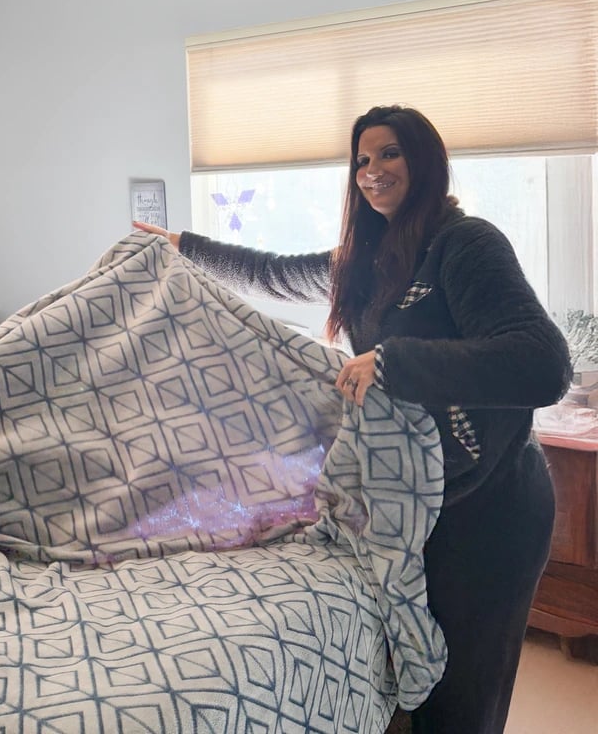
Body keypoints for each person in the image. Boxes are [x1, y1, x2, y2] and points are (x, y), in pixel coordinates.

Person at [134, 104, 571, 734]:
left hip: (492, 505)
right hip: (412, 504)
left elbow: (542, 363)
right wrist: (180, 247)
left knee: (466, 693)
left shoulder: (467, 244)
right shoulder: (364, 260)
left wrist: (394, 361)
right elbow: (272, 274)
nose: (372, 171)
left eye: (389, 153)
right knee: (416, 678)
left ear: (425, 161)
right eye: (362, 160)